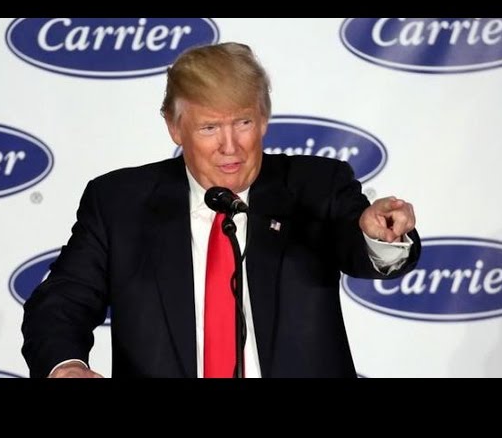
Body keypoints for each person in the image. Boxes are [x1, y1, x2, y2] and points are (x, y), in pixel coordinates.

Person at [22, 42, 421, 378]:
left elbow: (358, 246)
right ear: (174, 127)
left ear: (263, 119)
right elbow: (60, 303)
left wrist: (380, 236)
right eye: (209, 128)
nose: (230, 147)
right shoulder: (118, 202)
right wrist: (66, 367)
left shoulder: (316, 186)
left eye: (243, 122)